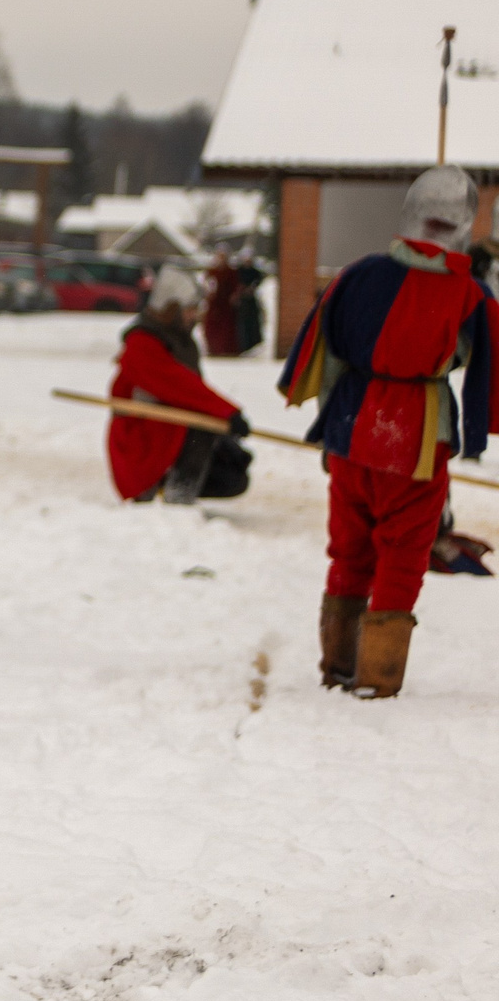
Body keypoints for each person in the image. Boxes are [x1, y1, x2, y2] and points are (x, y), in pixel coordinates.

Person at [281, 165, 497, 699]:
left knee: (350, 549)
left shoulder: (355, 274)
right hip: (415, 437)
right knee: (403, 552)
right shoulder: (469, 296)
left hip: (352, 430)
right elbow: (484, 363)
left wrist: (331, 433)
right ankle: (376, 678)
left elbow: (325, 355)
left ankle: (338, 663)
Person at [107, 263, 252, 506]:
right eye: (189, 309)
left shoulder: (178, 340)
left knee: (233, 472)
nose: (194, 316)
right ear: (171, 309)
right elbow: (180, 386)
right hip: (142, 444)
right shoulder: (141, 344)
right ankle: (175, 496)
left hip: (167, 433)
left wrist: (224, 421)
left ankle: (174, 488)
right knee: (203, 428)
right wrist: (227, 412)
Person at [201, 251, 245, 357]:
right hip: (214, 305)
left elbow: (235, 287)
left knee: (227, 330)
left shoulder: (231, 272)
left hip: (226, 306)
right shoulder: (212, 272)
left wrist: (234, 297)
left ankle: (226, 350)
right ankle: (213, 349)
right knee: (212, 328)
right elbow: (206, 285)